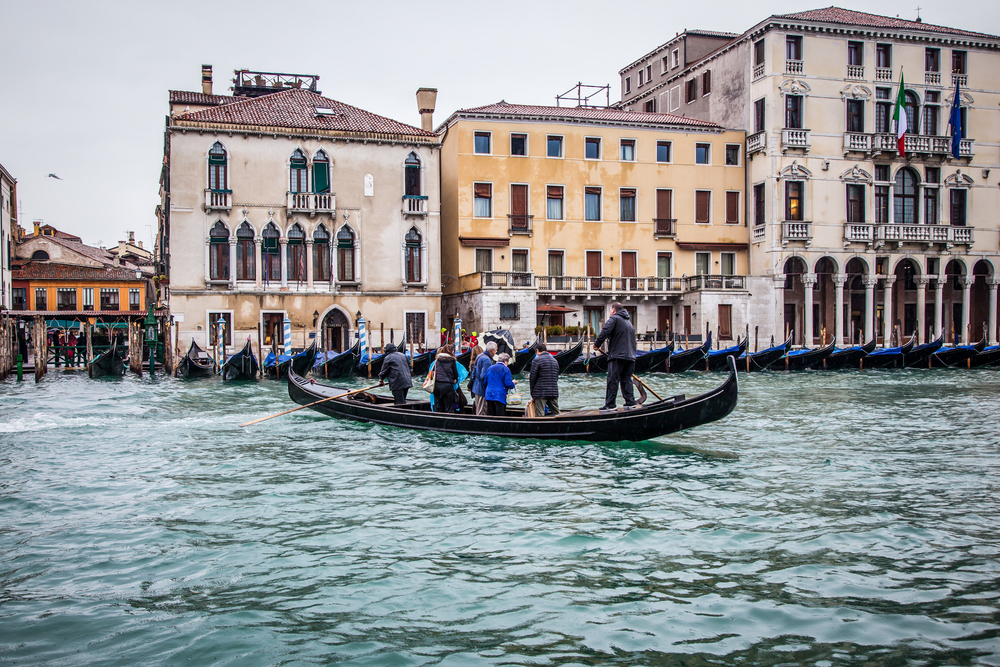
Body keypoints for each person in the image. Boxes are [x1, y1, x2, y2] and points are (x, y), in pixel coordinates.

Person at [594, 301, 637, 411]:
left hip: (618, 355)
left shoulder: (614, 318)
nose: (609, 312)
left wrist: (597, 344)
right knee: (626, 379)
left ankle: (610, 405)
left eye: (610, 310)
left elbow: (605, 331)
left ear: (613, 310)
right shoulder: (629, 322)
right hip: (631, 356)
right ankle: (630, 402)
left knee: (613, 379)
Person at [528, 341, 559, 417]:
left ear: (537, 351)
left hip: (540, 392)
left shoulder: (537, 360)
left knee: (540, 415)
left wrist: (532, 392)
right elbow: (556, 377)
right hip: (553, 391)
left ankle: (540, 428)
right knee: (556, 414)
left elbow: (532, 377)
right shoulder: (555, 361)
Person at [430, 344, 459, 413]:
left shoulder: (437, 361)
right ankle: (449, 422)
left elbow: (433, 372)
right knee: (448, 408)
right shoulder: (452, 361)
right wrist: (454, 380)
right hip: (447, 386)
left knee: (438, 407)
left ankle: (437, 422)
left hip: (436, 386)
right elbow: (455, 375)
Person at [470, 341, 496, 415]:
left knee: (479, 409)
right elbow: (483, 376)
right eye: (496, 350)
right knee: (482, 411)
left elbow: (473, 373)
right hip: (482, 390)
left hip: (476, 388)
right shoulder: (487, 360)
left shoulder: (479, 356)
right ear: (492, 350)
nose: (496, 352)